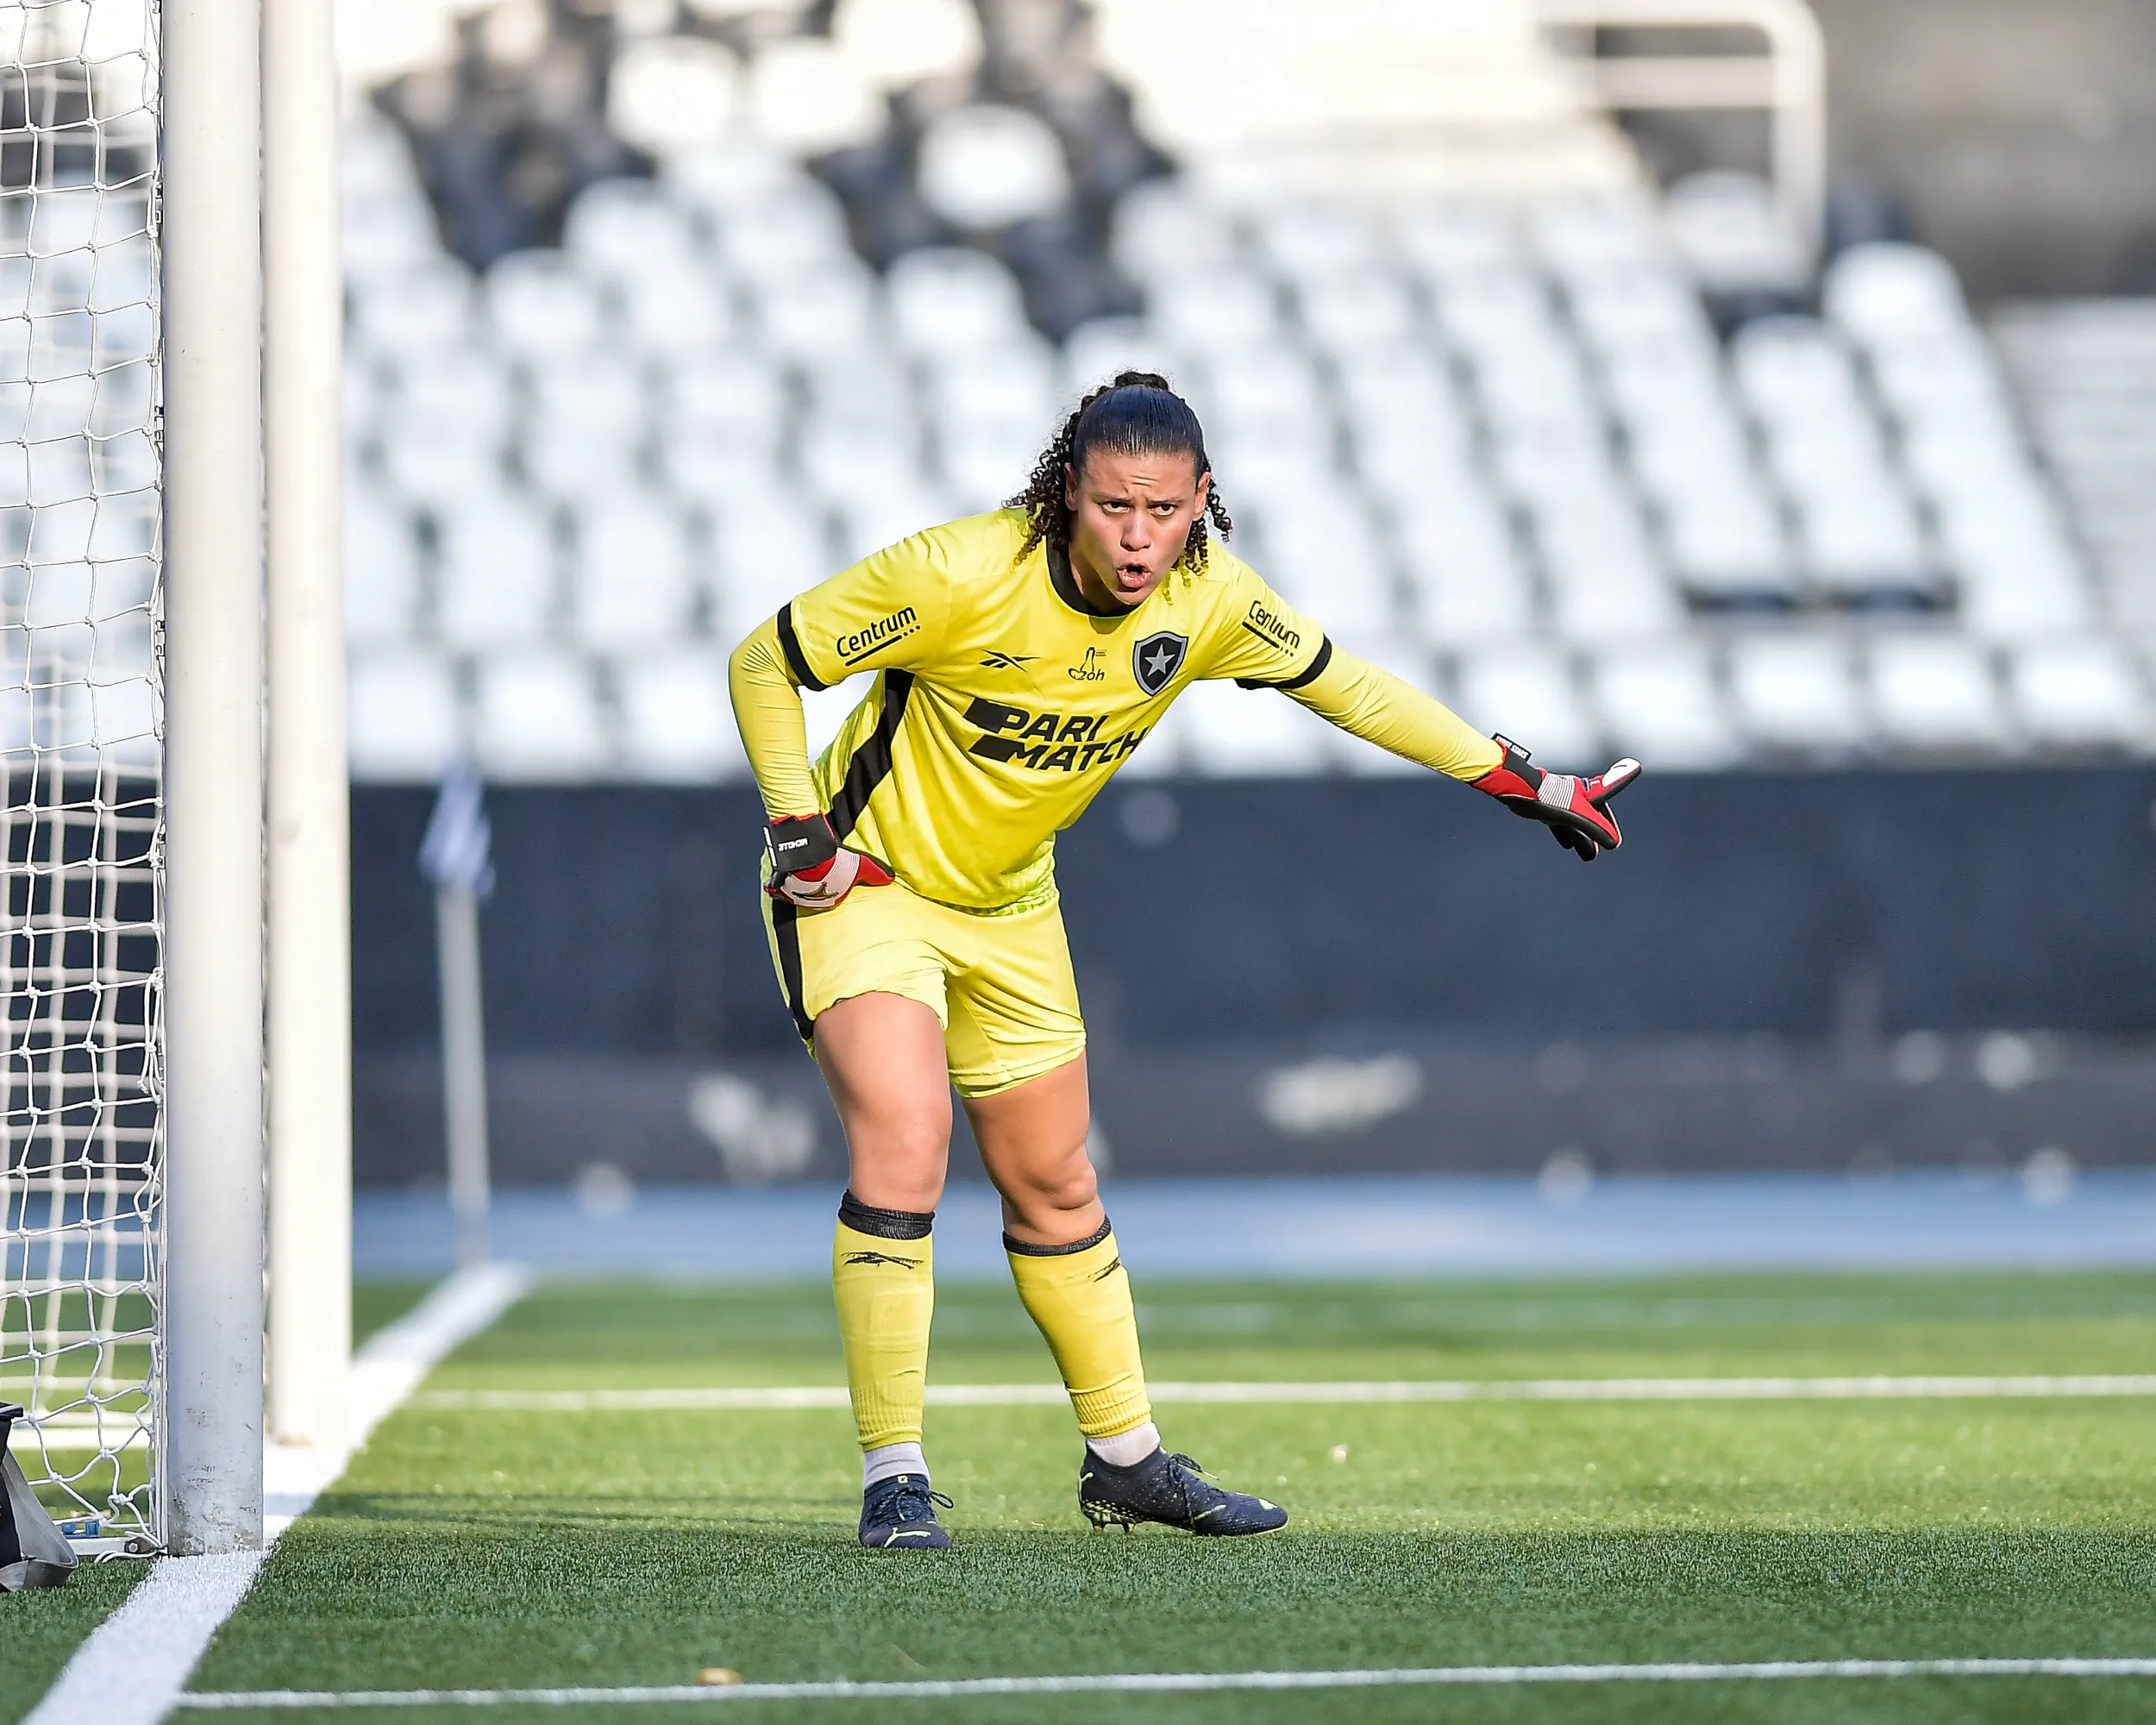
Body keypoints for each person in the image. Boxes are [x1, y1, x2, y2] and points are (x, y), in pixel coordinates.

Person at [727, 372, 1639, 1550]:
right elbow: (765, 660)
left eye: (1164, 511)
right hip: (863, 883)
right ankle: (893, 1475)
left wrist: (1521, 779)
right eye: (1114, 508)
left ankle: (1127, 1462)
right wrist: (797, 826)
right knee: (908, 1141)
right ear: (1069, 494)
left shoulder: (1210, 600)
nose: (1139, 537)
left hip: (1010, 908)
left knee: (1057, 1186)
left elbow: (1349, 687)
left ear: (1203, 499)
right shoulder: (958, 574)